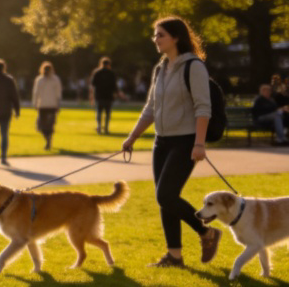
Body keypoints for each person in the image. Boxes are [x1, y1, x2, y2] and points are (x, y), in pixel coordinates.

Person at [121, 15, 221, 267]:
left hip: (185, 141)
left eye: (160, 35)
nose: (155, 39)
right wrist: (133, 136)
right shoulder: (160, 68)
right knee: (165, 197)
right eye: (155, 35)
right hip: (162, 141)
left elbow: (203, 107)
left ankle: (206, 232)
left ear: (176, 37)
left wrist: (199, 143)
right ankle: (174, 256)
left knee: (165, 195)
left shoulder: (194, 66)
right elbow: (151, 108)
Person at [32, 61, 63, 150]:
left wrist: (58, 104)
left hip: (51, 105)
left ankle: (48, 141)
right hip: (42, 105)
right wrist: (35, 103)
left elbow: (58, 93)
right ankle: (47, 138)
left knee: (50, 124)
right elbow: (36, 92)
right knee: (41, 125)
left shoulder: (55, 80)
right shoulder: (39, 80)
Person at [90, 56, 118, 134]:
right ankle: (106, 128)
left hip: (99, 96)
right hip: (108, 96)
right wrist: (116, 94)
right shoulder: (111, 73)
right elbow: (114, 86)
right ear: (109, 64)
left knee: (99, 113)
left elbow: (93, 85)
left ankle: (99, 127)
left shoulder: (97, 72)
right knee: (107, 114)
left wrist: (92, 96)